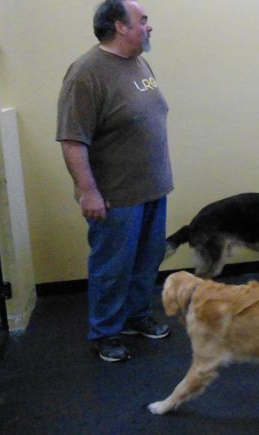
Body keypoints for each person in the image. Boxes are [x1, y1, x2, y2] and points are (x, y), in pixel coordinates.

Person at [56, 0, 173, 362]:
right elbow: (72, 139)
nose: (149, 26)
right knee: (112, 266)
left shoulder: (138, 61)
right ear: (120, 26)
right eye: (143, 20)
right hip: (115, 196)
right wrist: (88, 191)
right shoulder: (86, 73)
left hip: (153, 187)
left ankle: (136, 316)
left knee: (146, 260)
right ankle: (105, 332)